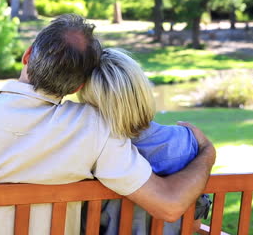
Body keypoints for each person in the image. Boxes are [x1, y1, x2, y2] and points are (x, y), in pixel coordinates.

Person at [0, 14, 215, 235]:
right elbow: (170, 205)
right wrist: (206, 154)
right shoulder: (94, 129)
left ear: (27, 55)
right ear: (77, 87)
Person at [78, 48, 211, 234]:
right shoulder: (186, 141)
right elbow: (193, 224)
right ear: (142, 91)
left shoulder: (85, 149)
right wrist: (207, 150)